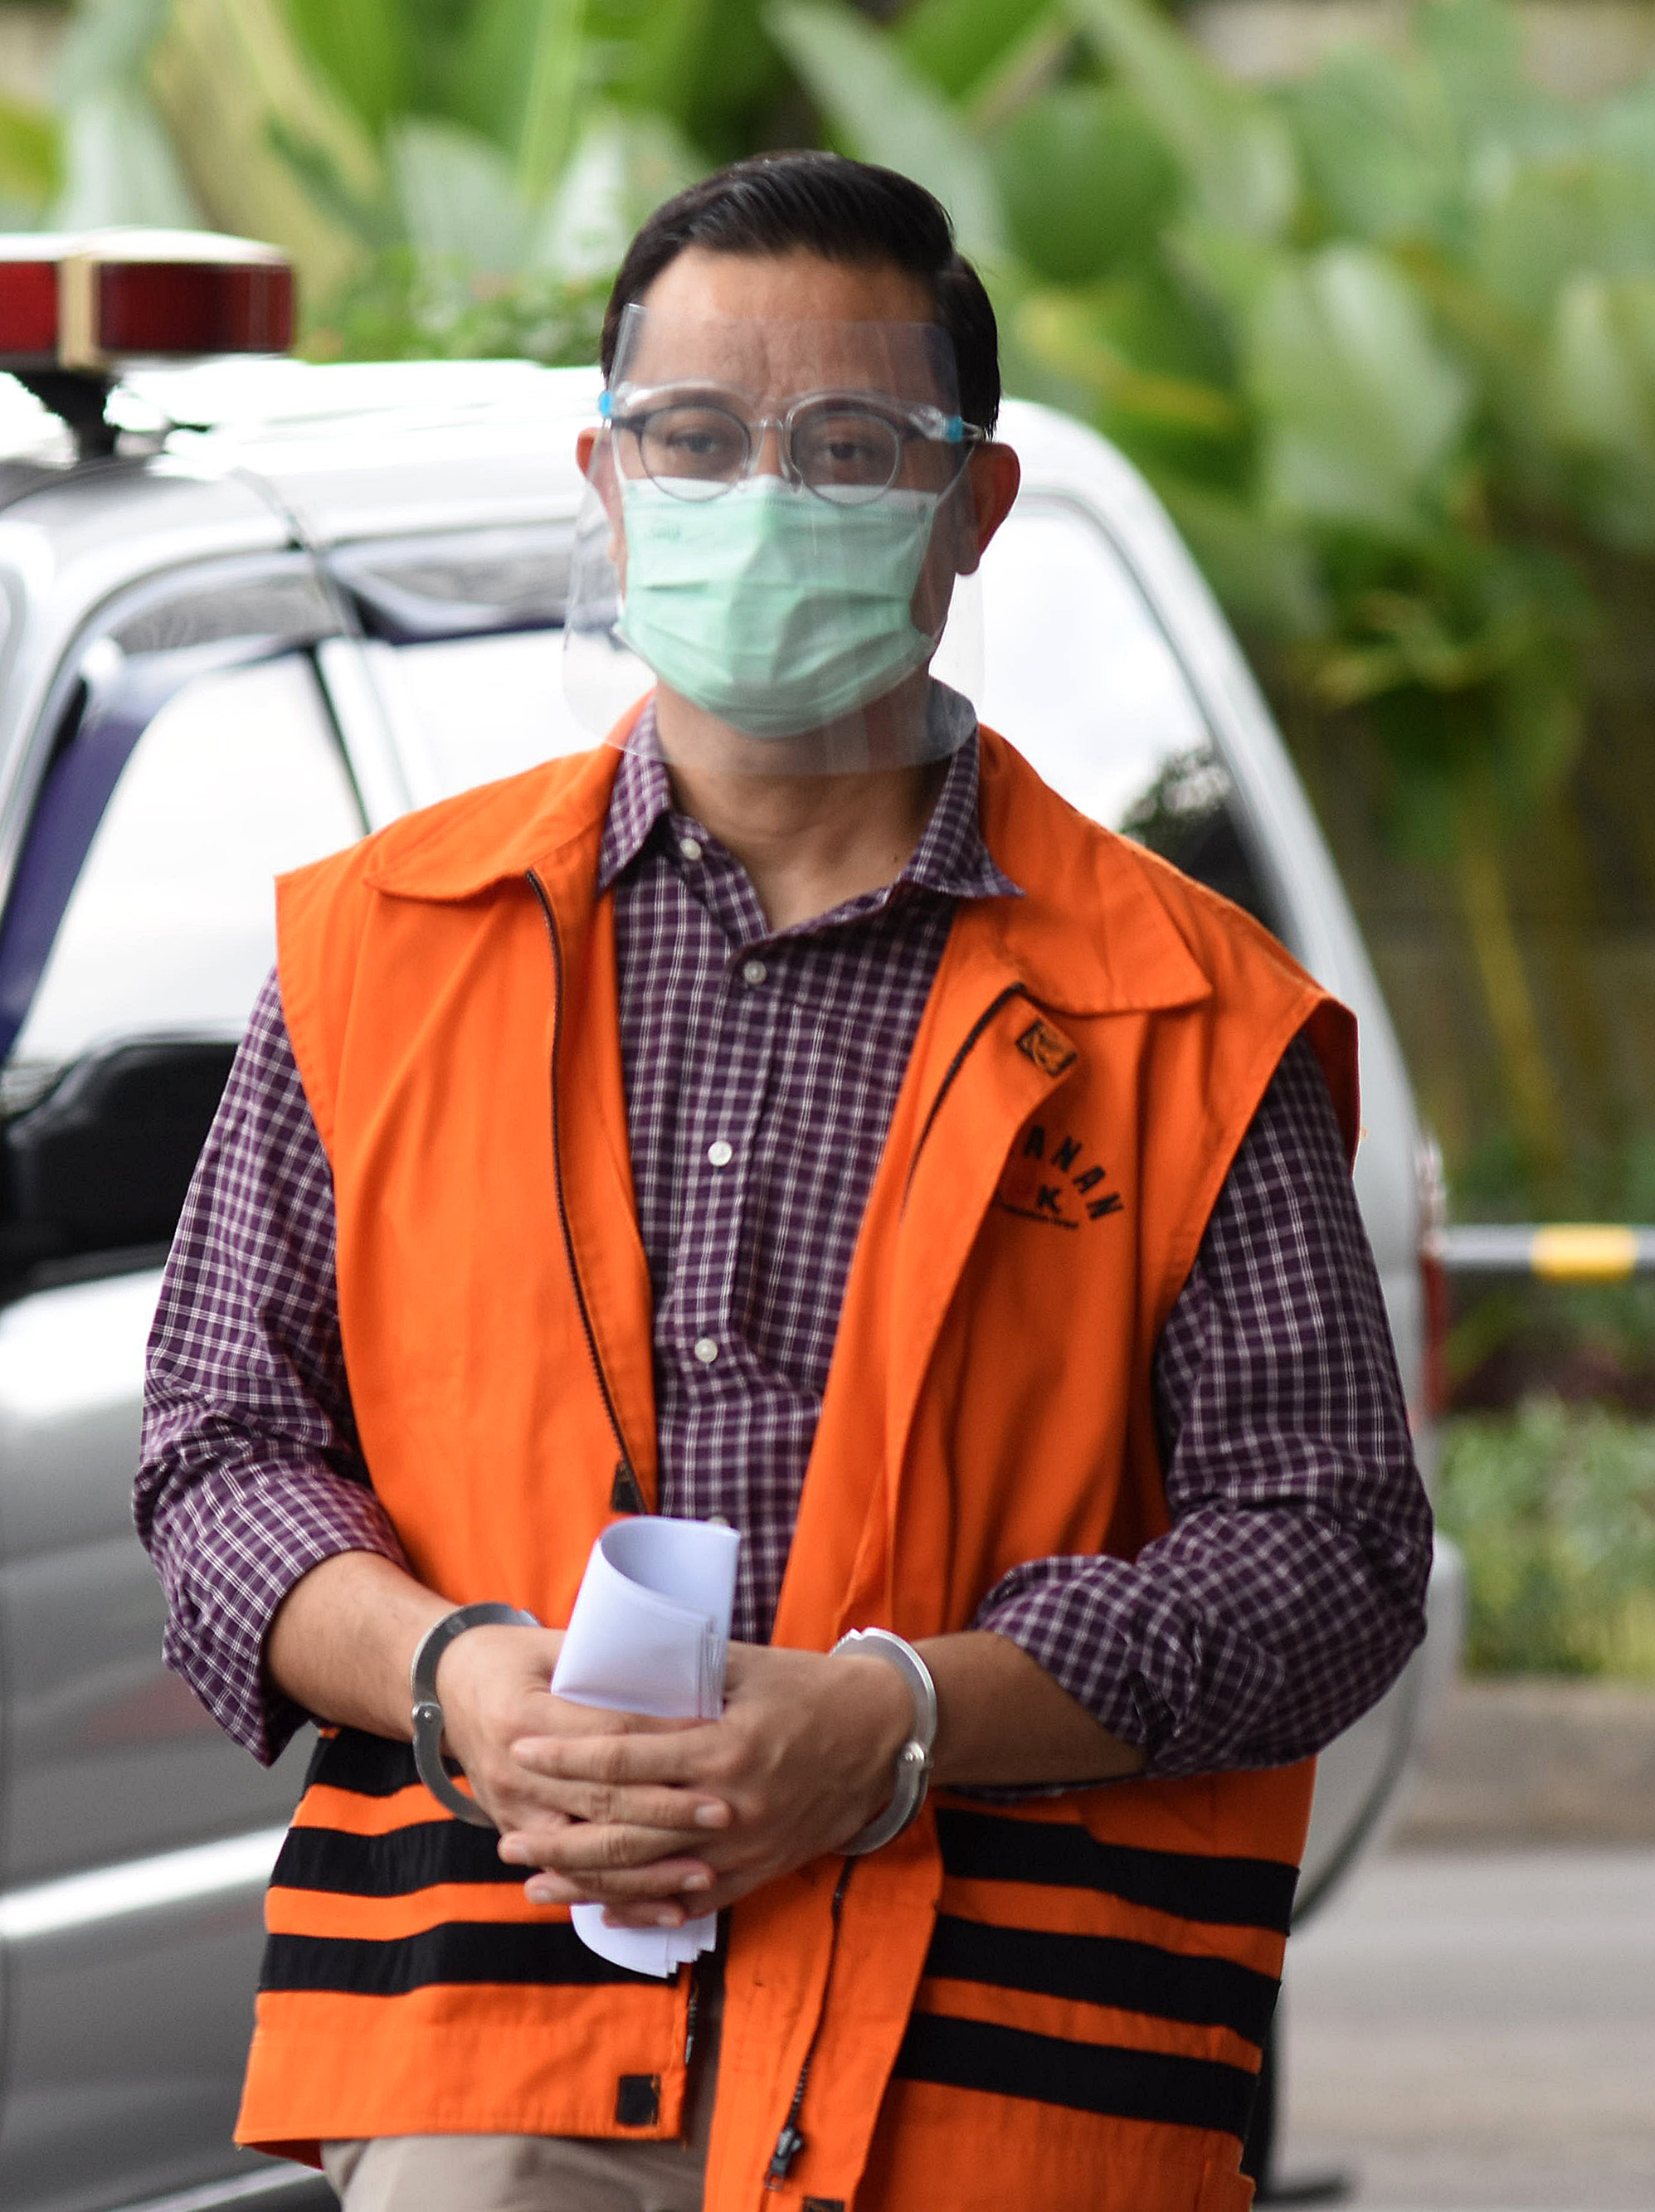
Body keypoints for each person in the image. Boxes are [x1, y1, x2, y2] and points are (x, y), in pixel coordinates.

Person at [134, 151, 1430, 2212]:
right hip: (499, 2026)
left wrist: (893, 1720)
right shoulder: (385, 949)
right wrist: (458, 1677)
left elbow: (1329, 1551)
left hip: (986, 2070)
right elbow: (220, 1447)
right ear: (607, 474)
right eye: (693, 439)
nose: (759, 493)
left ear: (965, 506)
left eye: (843, 446)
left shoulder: (1184, 1010)